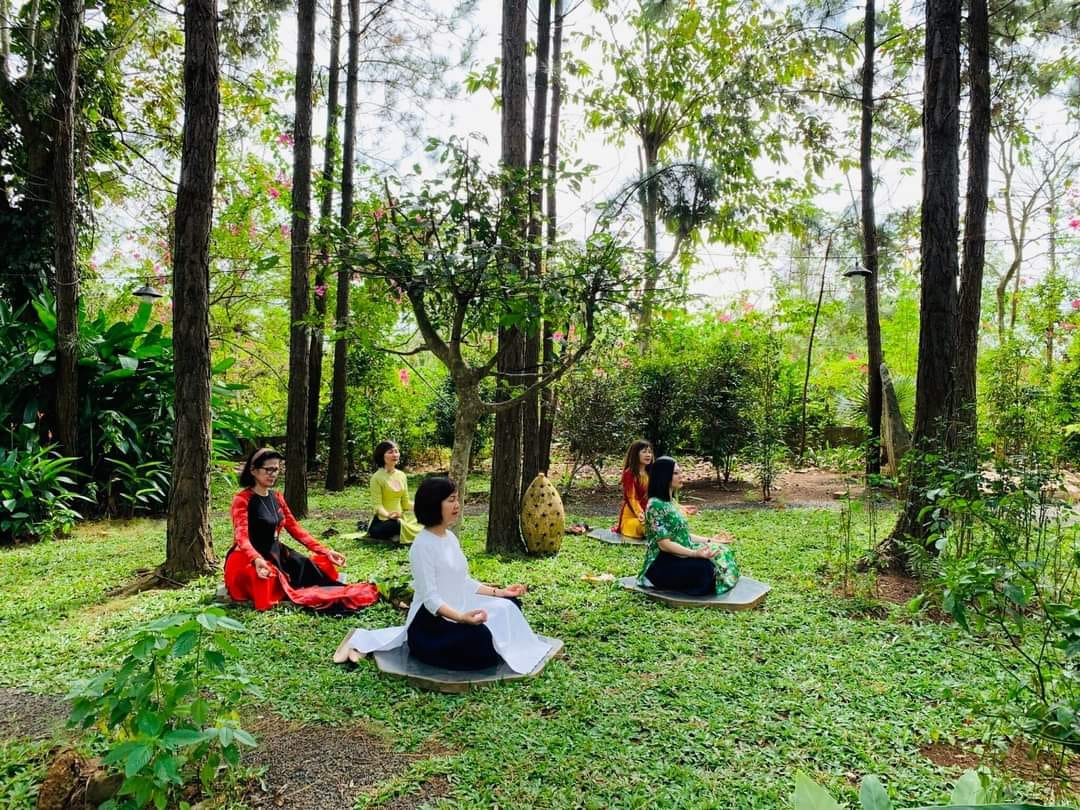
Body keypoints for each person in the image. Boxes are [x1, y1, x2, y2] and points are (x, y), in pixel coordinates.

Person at [337, 477, 553, 673]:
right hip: (431, 622)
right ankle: (361, 642)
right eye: (450, 500)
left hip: (459, 605)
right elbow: (431, 600)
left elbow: (463, 581)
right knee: (480, 642)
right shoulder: (422, 546)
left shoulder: (450, 537)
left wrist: (500, 592)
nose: (457, 505)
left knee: (512, 604)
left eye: (457, 499)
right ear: (434, 505)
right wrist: (461, 618)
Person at [224, 447, 378, 613]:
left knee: (307, 567)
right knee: (270, 580)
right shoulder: (242, 500)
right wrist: (256, 559)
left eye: (276, 469)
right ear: (253, 470)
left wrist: (325, 551)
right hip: (247, 558)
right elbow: (242, 538)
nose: (273, 474)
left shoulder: (277, 497)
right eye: (268, 469)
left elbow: (295, 528)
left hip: (275, 552)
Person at [638, 456, 739, 596]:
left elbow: (683, 535)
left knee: (722, 550)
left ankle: (712, 577)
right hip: (664, 561)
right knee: (706, 568)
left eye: (680, 472)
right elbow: (664, 545)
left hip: (682, 553)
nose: (681, 476)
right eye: (675, 473)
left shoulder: (671, 501)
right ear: (663, 476)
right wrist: (695, 554)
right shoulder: (655, 505)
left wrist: (712, 540)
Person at [367, 440, 421, 543]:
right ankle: (401, 533)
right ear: (382, 455)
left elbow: (406, 503)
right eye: (390, 452)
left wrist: (424, 508)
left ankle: (400, 534)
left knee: (425, 519)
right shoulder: (376, 478)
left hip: (402, 518)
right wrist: (388, 515)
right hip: (383, 522)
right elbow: (377, 506)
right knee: (396, 524)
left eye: (396, 451)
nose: (395, 455)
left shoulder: (402, 475)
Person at [614, 439, 653, 538]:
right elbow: (632, 498)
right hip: (632, 516)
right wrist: (640, 514)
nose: (648, 455)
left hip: (649, 513)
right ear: (635, 454)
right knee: (646, 526)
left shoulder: (651, 473)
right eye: (644, 452)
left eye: (649, 452)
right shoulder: (629, 473)